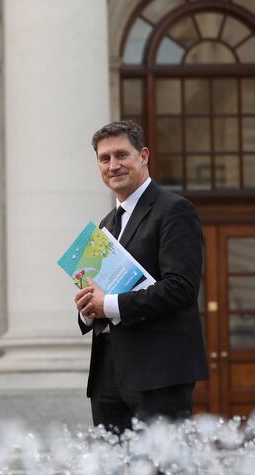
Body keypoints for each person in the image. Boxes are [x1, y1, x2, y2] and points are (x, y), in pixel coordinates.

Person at [76, 119, 208, 432]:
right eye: (104, 159)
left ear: (143, 156)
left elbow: (181, 288)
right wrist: (86, 310)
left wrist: (107, 304)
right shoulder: (106, 225)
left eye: (121, 155)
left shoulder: (175, 210)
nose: (113, 165)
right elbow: (97, 296)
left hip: (159, 372)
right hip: (108, 374)